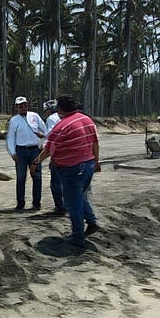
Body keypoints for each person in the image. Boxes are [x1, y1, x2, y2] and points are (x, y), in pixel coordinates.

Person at [30, 95, 101, 247]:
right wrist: (96, 160)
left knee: (72, 204)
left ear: (59, 110)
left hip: (72, 169)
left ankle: (78, 237)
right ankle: (92, 222)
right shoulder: (87, 120)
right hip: (87, 165)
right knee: (79, 196)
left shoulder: (61, 127)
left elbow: (49, 150)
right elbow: (95, 142)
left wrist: (36, 162)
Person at [5, 96, 47, 211]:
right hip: (21, 151)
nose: (23, 108)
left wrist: (44, 141)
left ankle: (36, 203)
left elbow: (45, 130)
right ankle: (20, 203)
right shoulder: (13, 120)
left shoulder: (35, 116)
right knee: (21, 178)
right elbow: (10, 138)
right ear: (16, 108)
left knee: (37, 177)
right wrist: (13, 153)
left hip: (35, 150)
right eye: (20, 106)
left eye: (24, 105)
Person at [41, 99, 66, 216]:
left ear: (49, 111)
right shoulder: (65, 117)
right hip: (70, 154)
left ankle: (60, 207)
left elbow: (51, 137)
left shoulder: (52, 119)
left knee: (56, 183)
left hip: (57, 155)